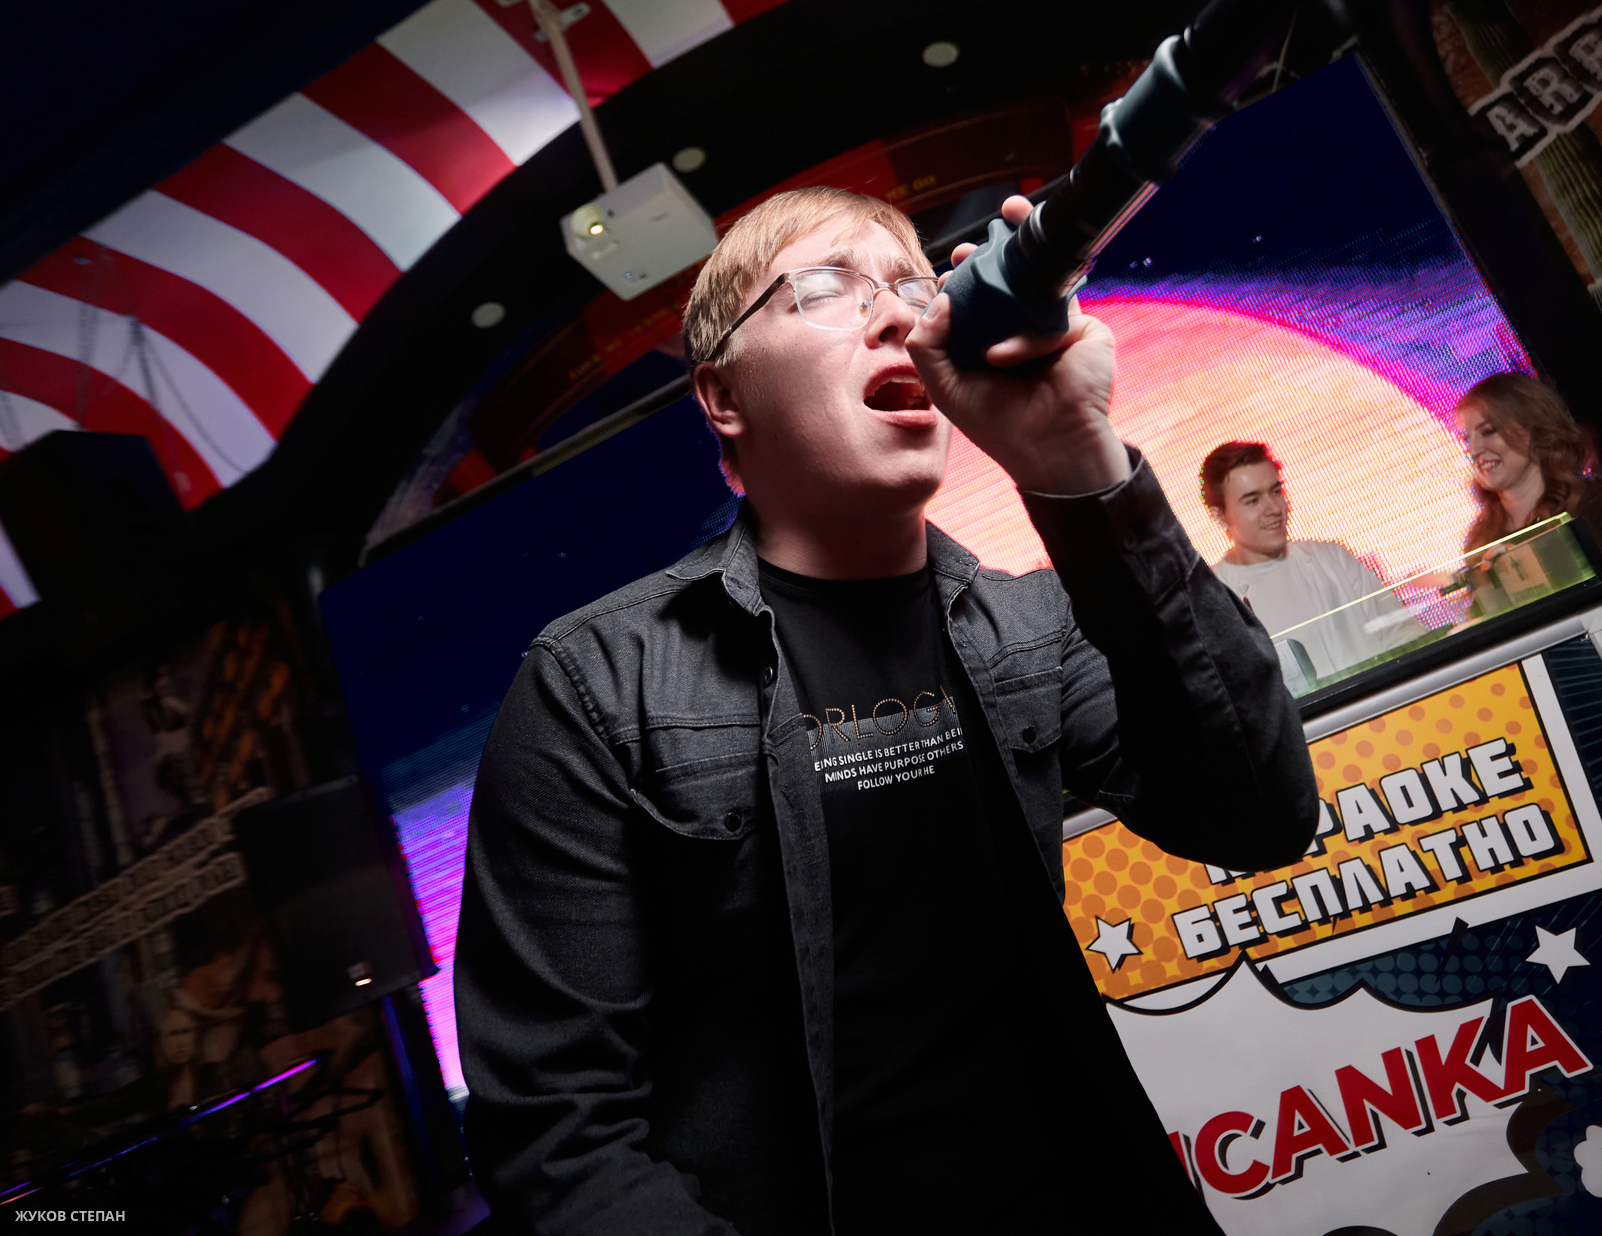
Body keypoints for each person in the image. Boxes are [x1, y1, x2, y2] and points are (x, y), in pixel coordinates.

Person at [455, 186, 1317, 1236]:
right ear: (722, 395)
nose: (896, 316)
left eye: (913, 286)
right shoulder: (597, 686)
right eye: (825, 289)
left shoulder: (1029, 625)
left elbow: (1258, 813)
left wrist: (1076, 457)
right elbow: (558, 1136)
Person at [1456, 372, 1602, 646]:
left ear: (1534, 429)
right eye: (1467, 439)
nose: (1474, 449)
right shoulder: (1480, 541)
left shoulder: (1596, 506)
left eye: (1488, 431)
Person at [1202, 441, 1426, 682]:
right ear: (1219, 516)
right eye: (1253, 500)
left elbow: (1406, 636)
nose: (1274, 508)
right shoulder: (1211, 599)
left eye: (1276, 492)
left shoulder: (1332, 558)